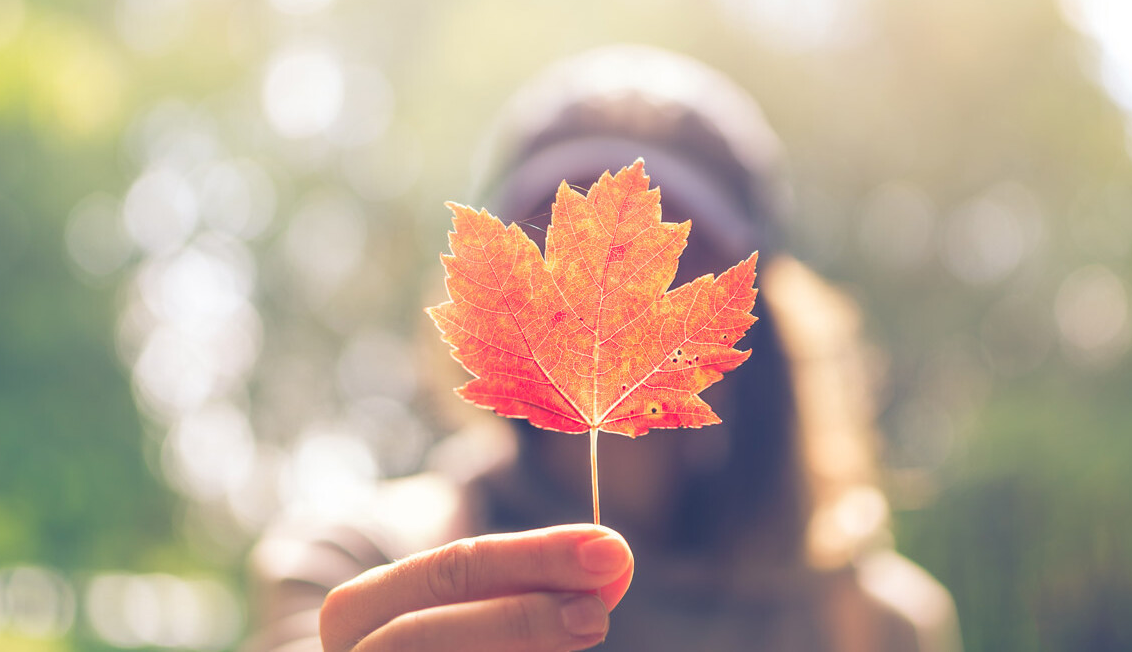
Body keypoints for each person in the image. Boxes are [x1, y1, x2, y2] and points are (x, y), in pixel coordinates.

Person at [243, 46, 960, 651]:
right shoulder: (360, 564)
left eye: (682, 247)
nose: (604, 296)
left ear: (759, 312)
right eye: (552, 232)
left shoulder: (875, 625)